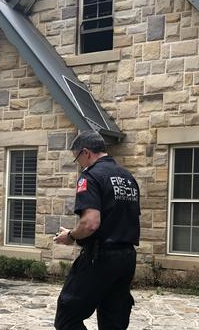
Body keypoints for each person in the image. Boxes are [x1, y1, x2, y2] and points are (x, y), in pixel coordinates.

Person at [53, 130, 140, 330]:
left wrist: (71, 236)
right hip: (126, 258)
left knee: (67, 316)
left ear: (86, 153)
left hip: (100, 258)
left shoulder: (90, 177)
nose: (79, 164)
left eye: (77, 159)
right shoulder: (127, 177)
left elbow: (90, 223)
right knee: (113, 321)